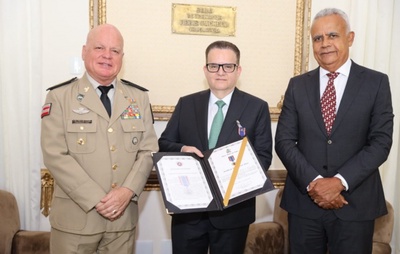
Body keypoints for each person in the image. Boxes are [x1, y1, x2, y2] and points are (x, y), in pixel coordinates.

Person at [275, 8, 393, 254]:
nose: (324, 44)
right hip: (305, 205)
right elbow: (284, 141)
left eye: (332, 35)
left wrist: (339, 182)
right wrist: (315, 183)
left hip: (355, 204)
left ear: (349, 38)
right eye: (318, 38)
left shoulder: (376, 82)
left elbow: (380, 142)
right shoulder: (297, 86)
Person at [40, 24, 158, 253]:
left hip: (122, 222)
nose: (107, 55)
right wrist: (98, 200)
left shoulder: (138, 98)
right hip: (76, 222)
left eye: (115, 50)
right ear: (84, 52)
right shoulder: (60, 96)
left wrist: (127, 191)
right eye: (99, 47)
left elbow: (148, 150)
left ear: (122, 57)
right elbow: (55, 155)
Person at [158, 40, 272, 254]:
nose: (221, 72)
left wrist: (233, 180)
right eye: (214, 66)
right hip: (189, 212)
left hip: (233, 212)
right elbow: (165, 142)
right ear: (205, 69)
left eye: (228, 66)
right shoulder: (186, 104)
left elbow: (264, 157)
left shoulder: (257, 107)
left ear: (238, 70)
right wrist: (183, 150)